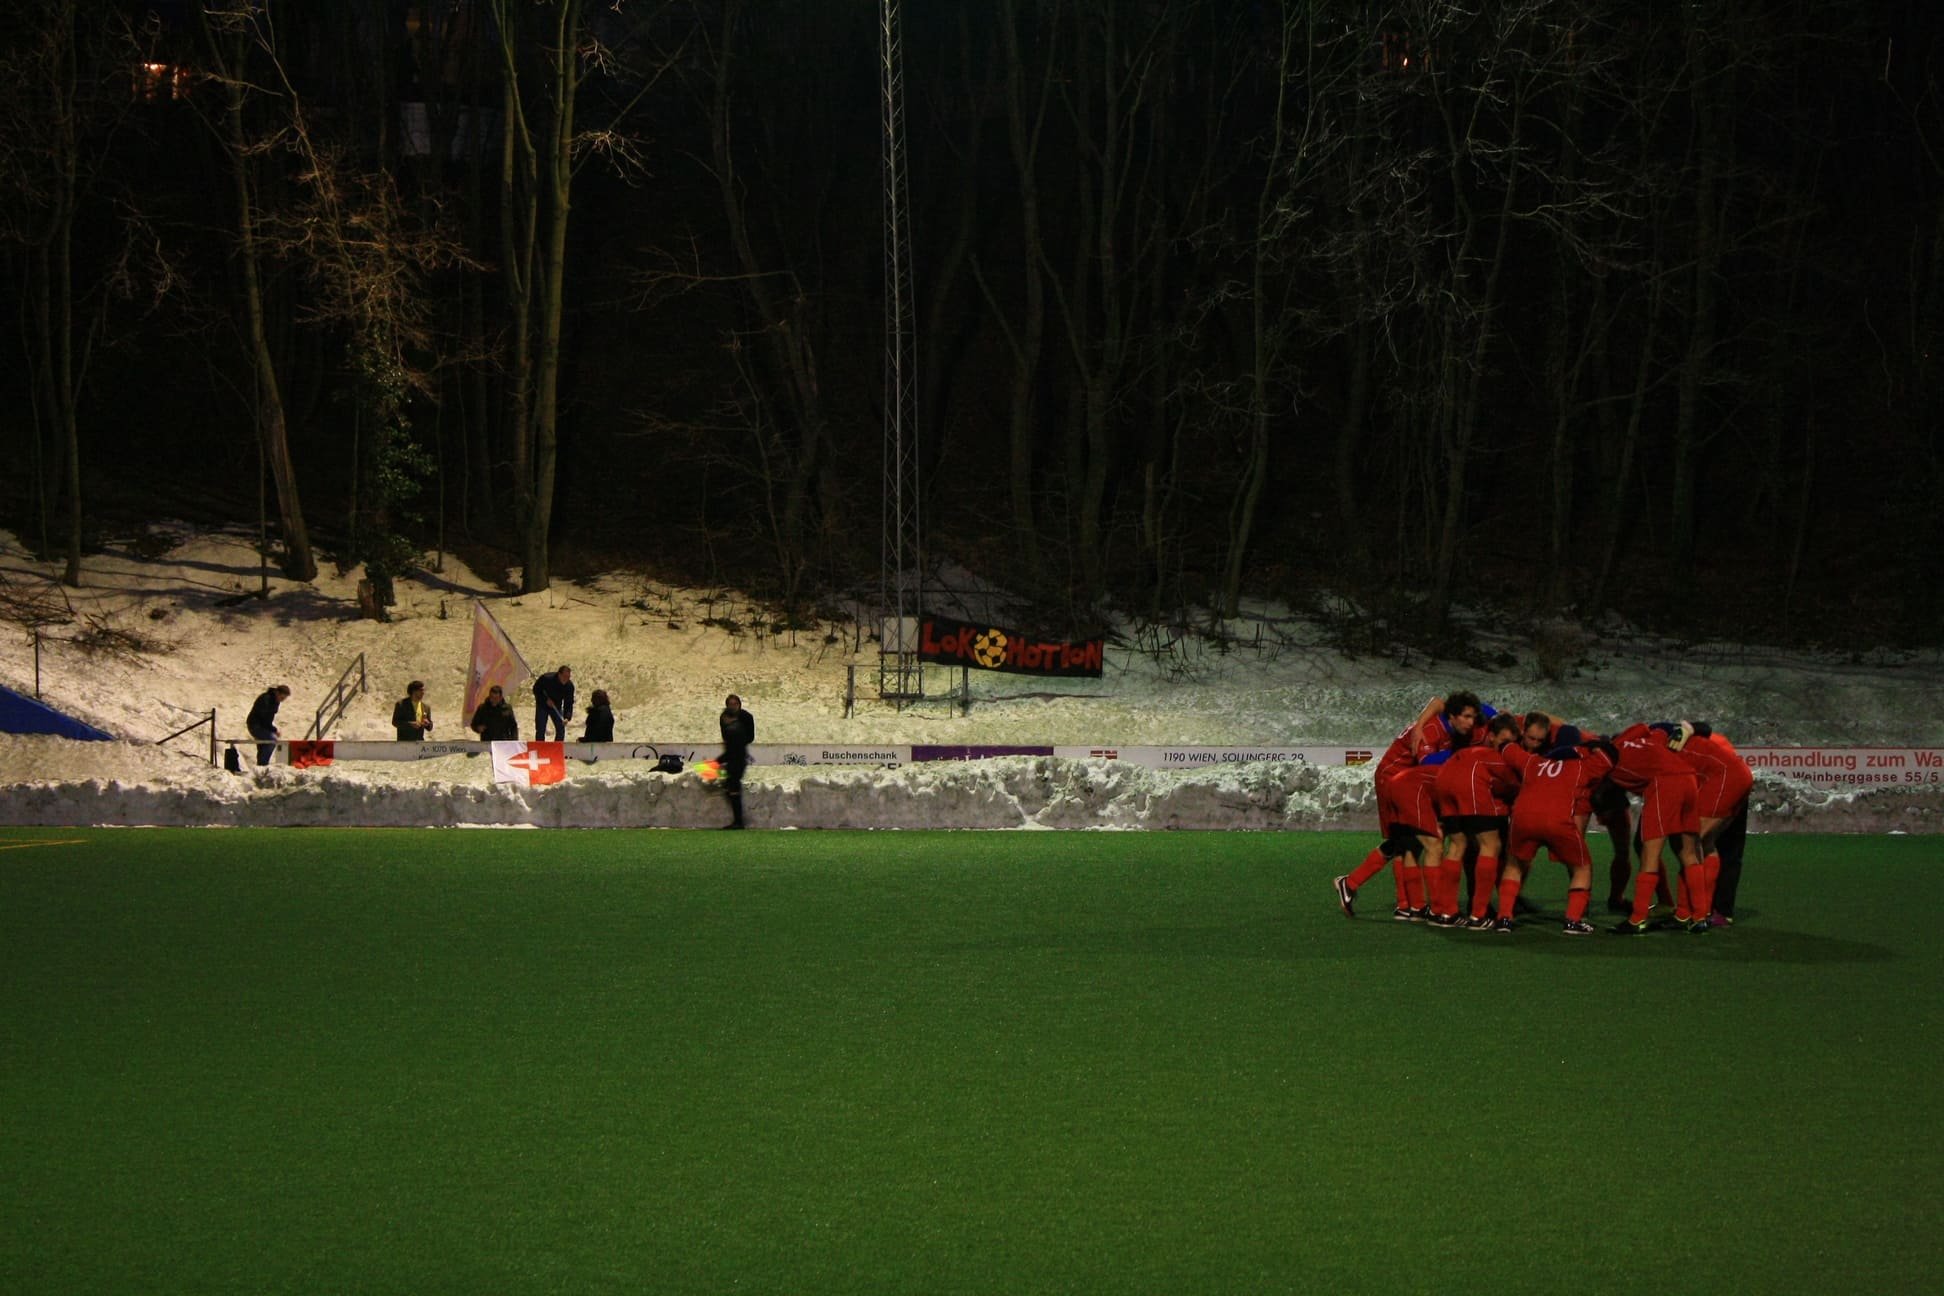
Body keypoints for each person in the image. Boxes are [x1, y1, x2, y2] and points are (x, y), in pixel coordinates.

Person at [1433, 713, 1522, 927]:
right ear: (1491, 736)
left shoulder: (1466, 750)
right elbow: (1513, 784)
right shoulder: (1494, 756)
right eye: (1505, 742)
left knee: (1457, 844)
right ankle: (1478, 915)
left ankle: (1448, 913)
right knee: (1491, 845)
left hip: (1444, 779)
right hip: (1468, 782)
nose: (1508, 748)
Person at [717, 693, 755, 829]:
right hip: (733, 757)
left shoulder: (743, 722)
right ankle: (737, 820)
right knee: (729, 783)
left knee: (733, 785)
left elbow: (745, 740)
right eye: (730, 705)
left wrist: (717, 761)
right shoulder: (727, 722)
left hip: (737, 758)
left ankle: (738, 821)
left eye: (735, 704)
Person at [245, 684, 290, 767]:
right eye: (282, 698)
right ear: (277, 692)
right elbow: (264, 718)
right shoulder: (265, 699)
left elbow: (268, 719)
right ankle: (263, 765)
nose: (282, 700)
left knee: (264, 744)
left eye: (283, 699)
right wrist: (273, 730)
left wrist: (272, 729)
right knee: (272, 740)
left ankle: (260, 765)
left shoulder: (276, 701)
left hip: (262, 725)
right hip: (255, 725)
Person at [533, 665, 574, 741]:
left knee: (561, 729)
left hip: (556, 706)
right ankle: (540, 748)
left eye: (568, 677)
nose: (566, 679)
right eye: (564, 676)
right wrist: (545, 700)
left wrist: (567, 717)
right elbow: (536, 690)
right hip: (542, 705)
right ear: (559, 674)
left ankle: (557, 748)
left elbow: (569, 703)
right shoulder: (546, 678)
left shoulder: (569, 686)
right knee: (540, 729)